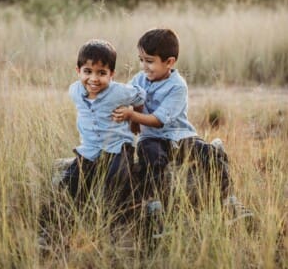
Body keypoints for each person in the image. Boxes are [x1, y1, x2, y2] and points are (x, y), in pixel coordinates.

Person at [112, 28, 231, 208]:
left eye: (150, 61)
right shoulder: (139, 79)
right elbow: (127, 95)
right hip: (152, 137)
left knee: (210, 155)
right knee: (150, 156)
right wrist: (128, 109)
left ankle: (227, 197)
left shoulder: (177, 86)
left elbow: (159, 121)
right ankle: (154, 201)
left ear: (169, 62)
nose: (144, 66)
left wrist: (132, 115)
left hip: (180, 136)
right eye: (141, 60)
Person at [59, 39, 146, 211]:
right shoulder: (74, 91)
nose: (93, 79)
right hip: (90, 148)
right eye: (88, 71)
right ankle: (78, 214)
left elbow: (140, 95)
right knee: (72, 180)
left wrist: (135, 119)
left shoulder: (119, 92)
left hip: (118, 146)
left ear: (111, 74)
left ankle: (135, 212)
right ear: (78, 71)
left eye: (101, 73)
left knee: (117, 178)